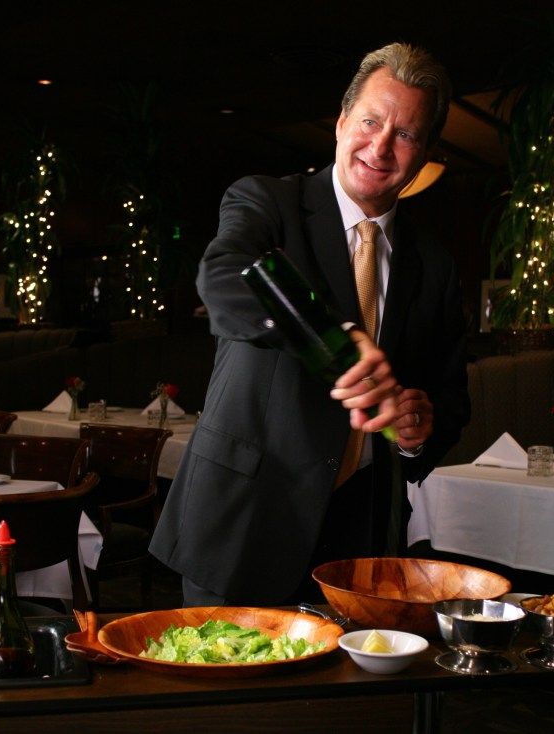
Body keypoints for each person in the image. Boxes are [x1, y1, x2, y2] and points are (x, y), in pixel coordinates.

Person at [149, 42, 470, 606]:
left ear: (424, 155)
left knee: (341, 698)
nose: (381, 146)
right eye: (371, 121)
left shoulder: (435, 263)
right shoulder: (268, 203)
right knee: (227, 692)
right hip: (242, 521)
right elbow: (223, 277)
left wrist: (421, 427)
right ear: (343, 122)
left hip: (359, 537)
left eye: (406, 134)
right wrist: (330, 340)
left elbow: (449, 396)